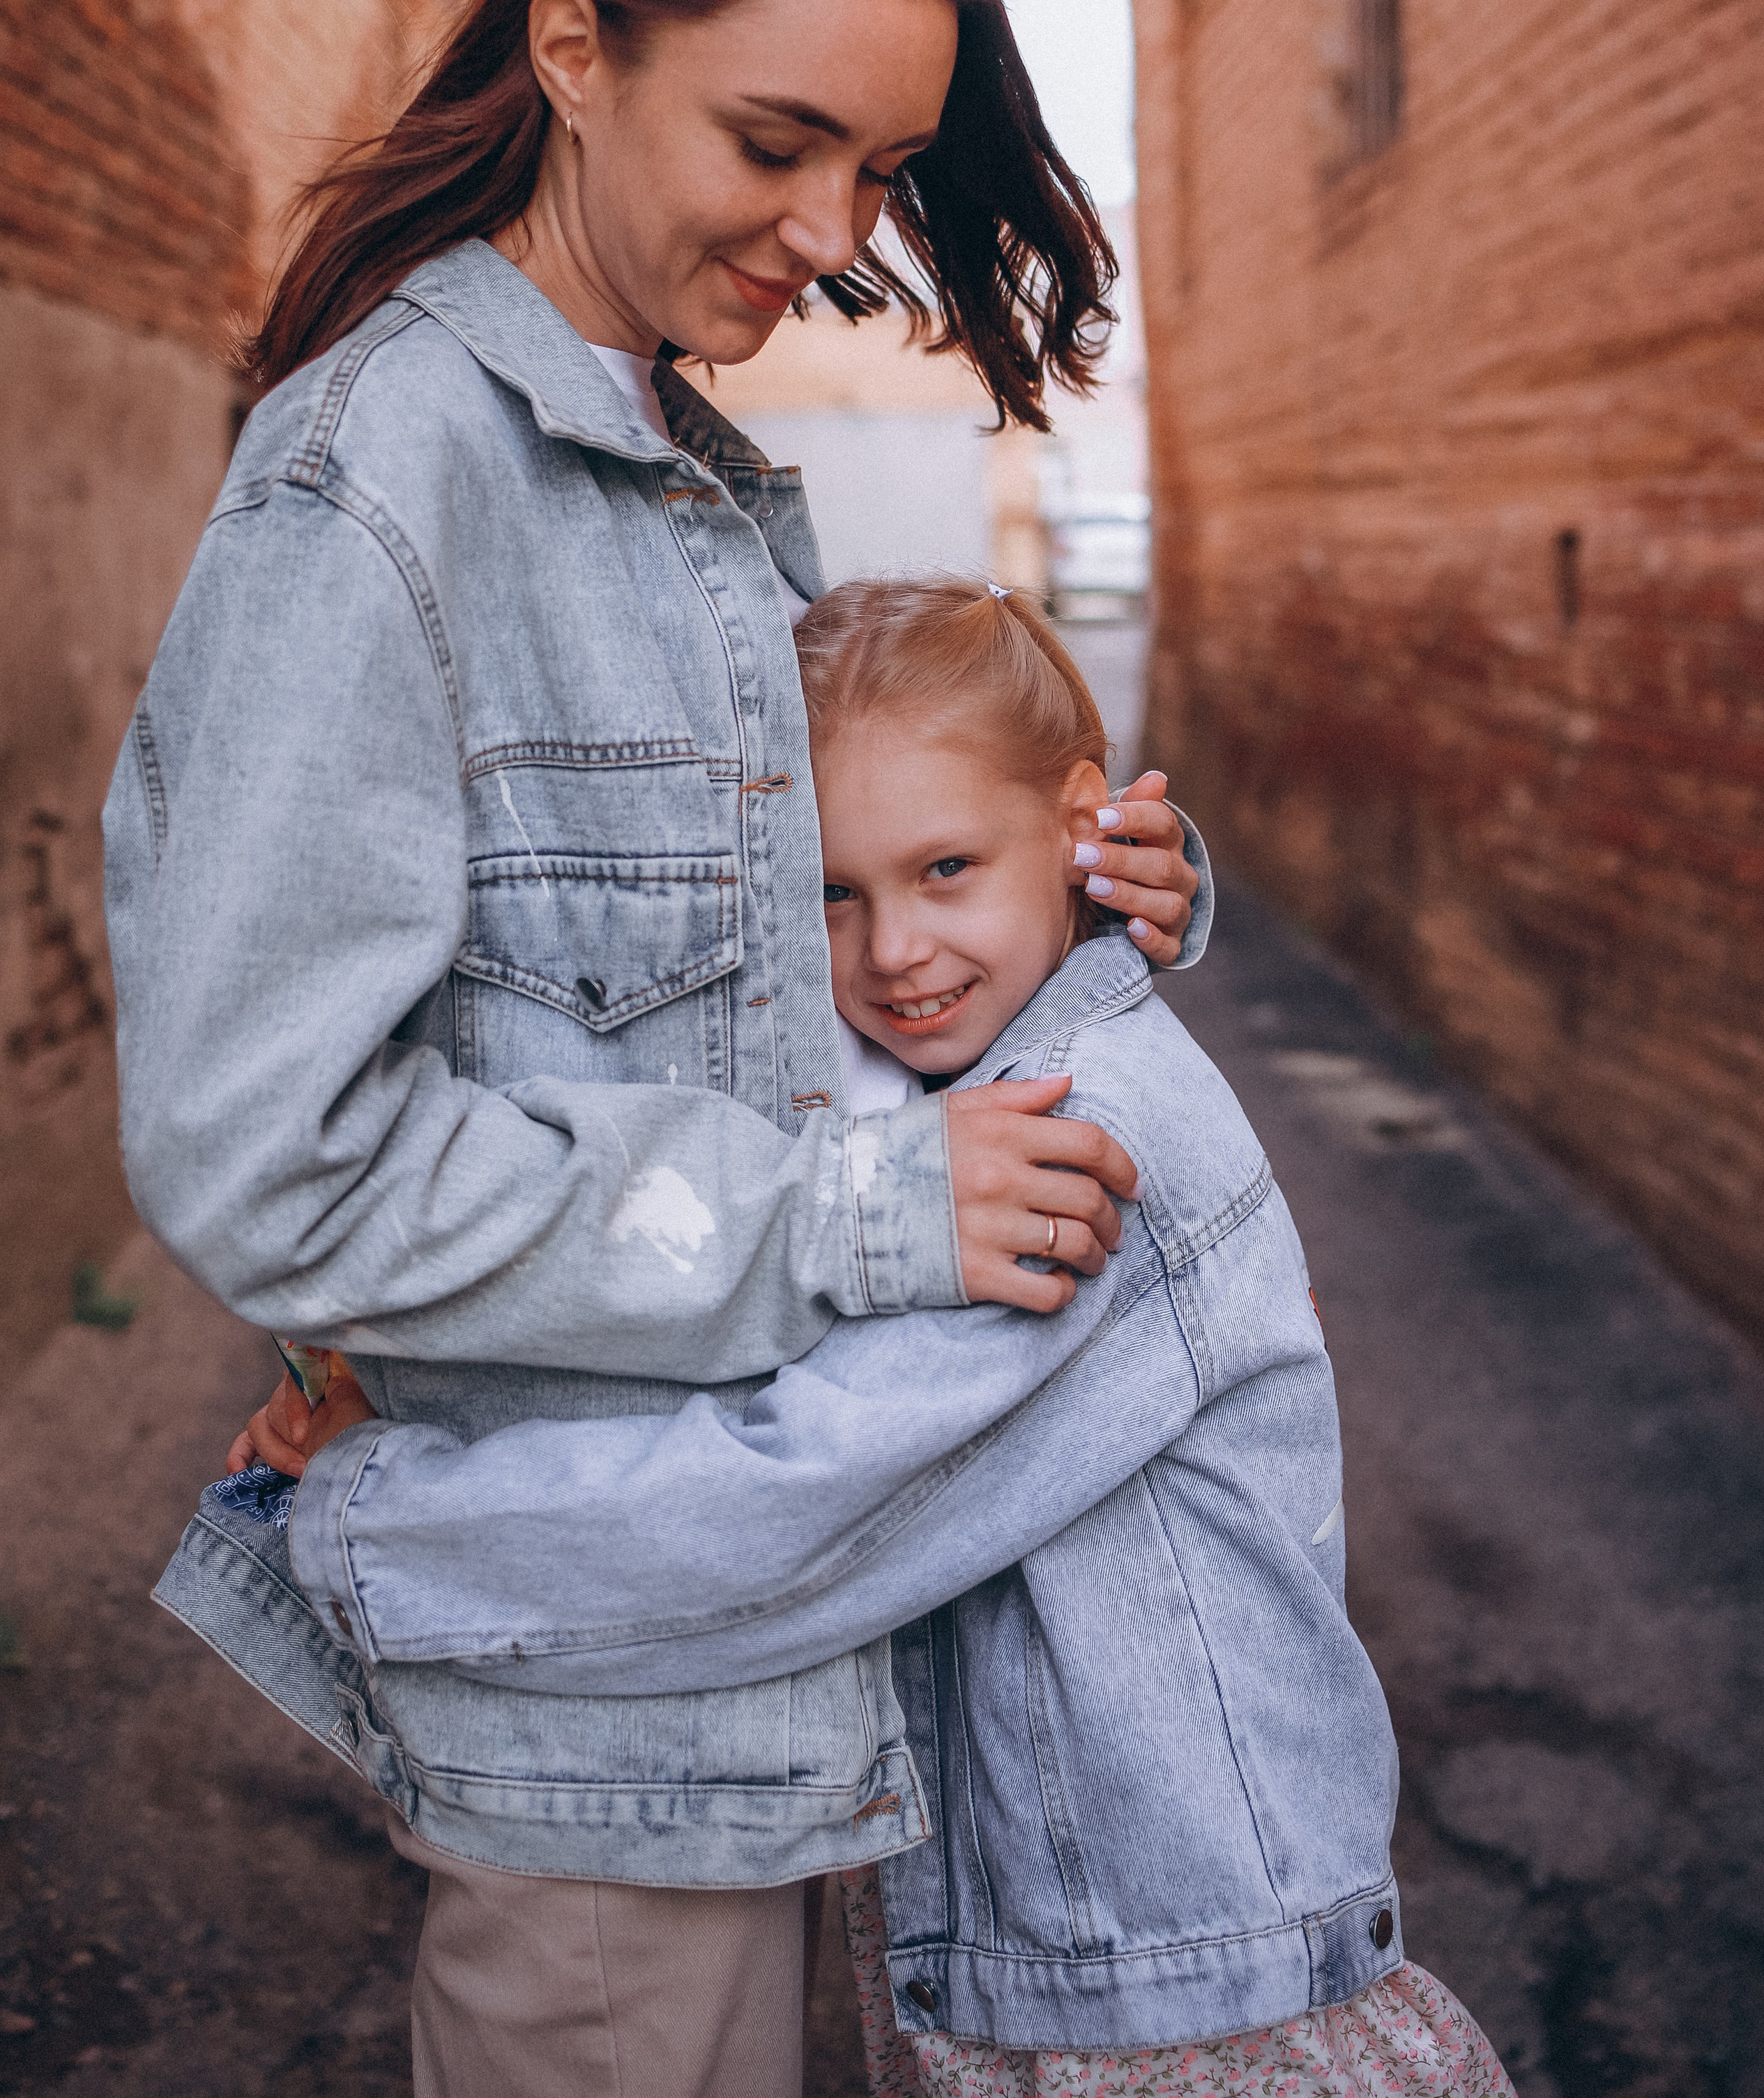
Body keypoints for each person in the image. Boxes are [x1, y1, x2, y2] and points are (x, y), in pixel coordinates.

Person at [114, 0, 1206, 2098]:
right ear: (577, 51)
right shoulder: (382, 482)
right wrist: (861, 1203)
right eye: (776, 141)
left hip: (765, 1639)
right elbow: (271, 1151)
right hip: (608, 1721)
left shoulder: (673, 486)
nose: (831, 230)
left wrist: (1079, 907)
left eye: (882, 172)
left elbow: (752, 988)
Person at [268, 579, 1517, 2098]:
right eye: (827, 893)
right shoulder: (966, 1088)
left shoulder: (1070, 1155)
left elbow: (806, 1501)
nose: (892, 953)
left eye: (942, 868)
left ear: (1075, 827)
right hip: (1079, 1959)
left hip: (1176, 2002)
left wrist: (373, 1509)